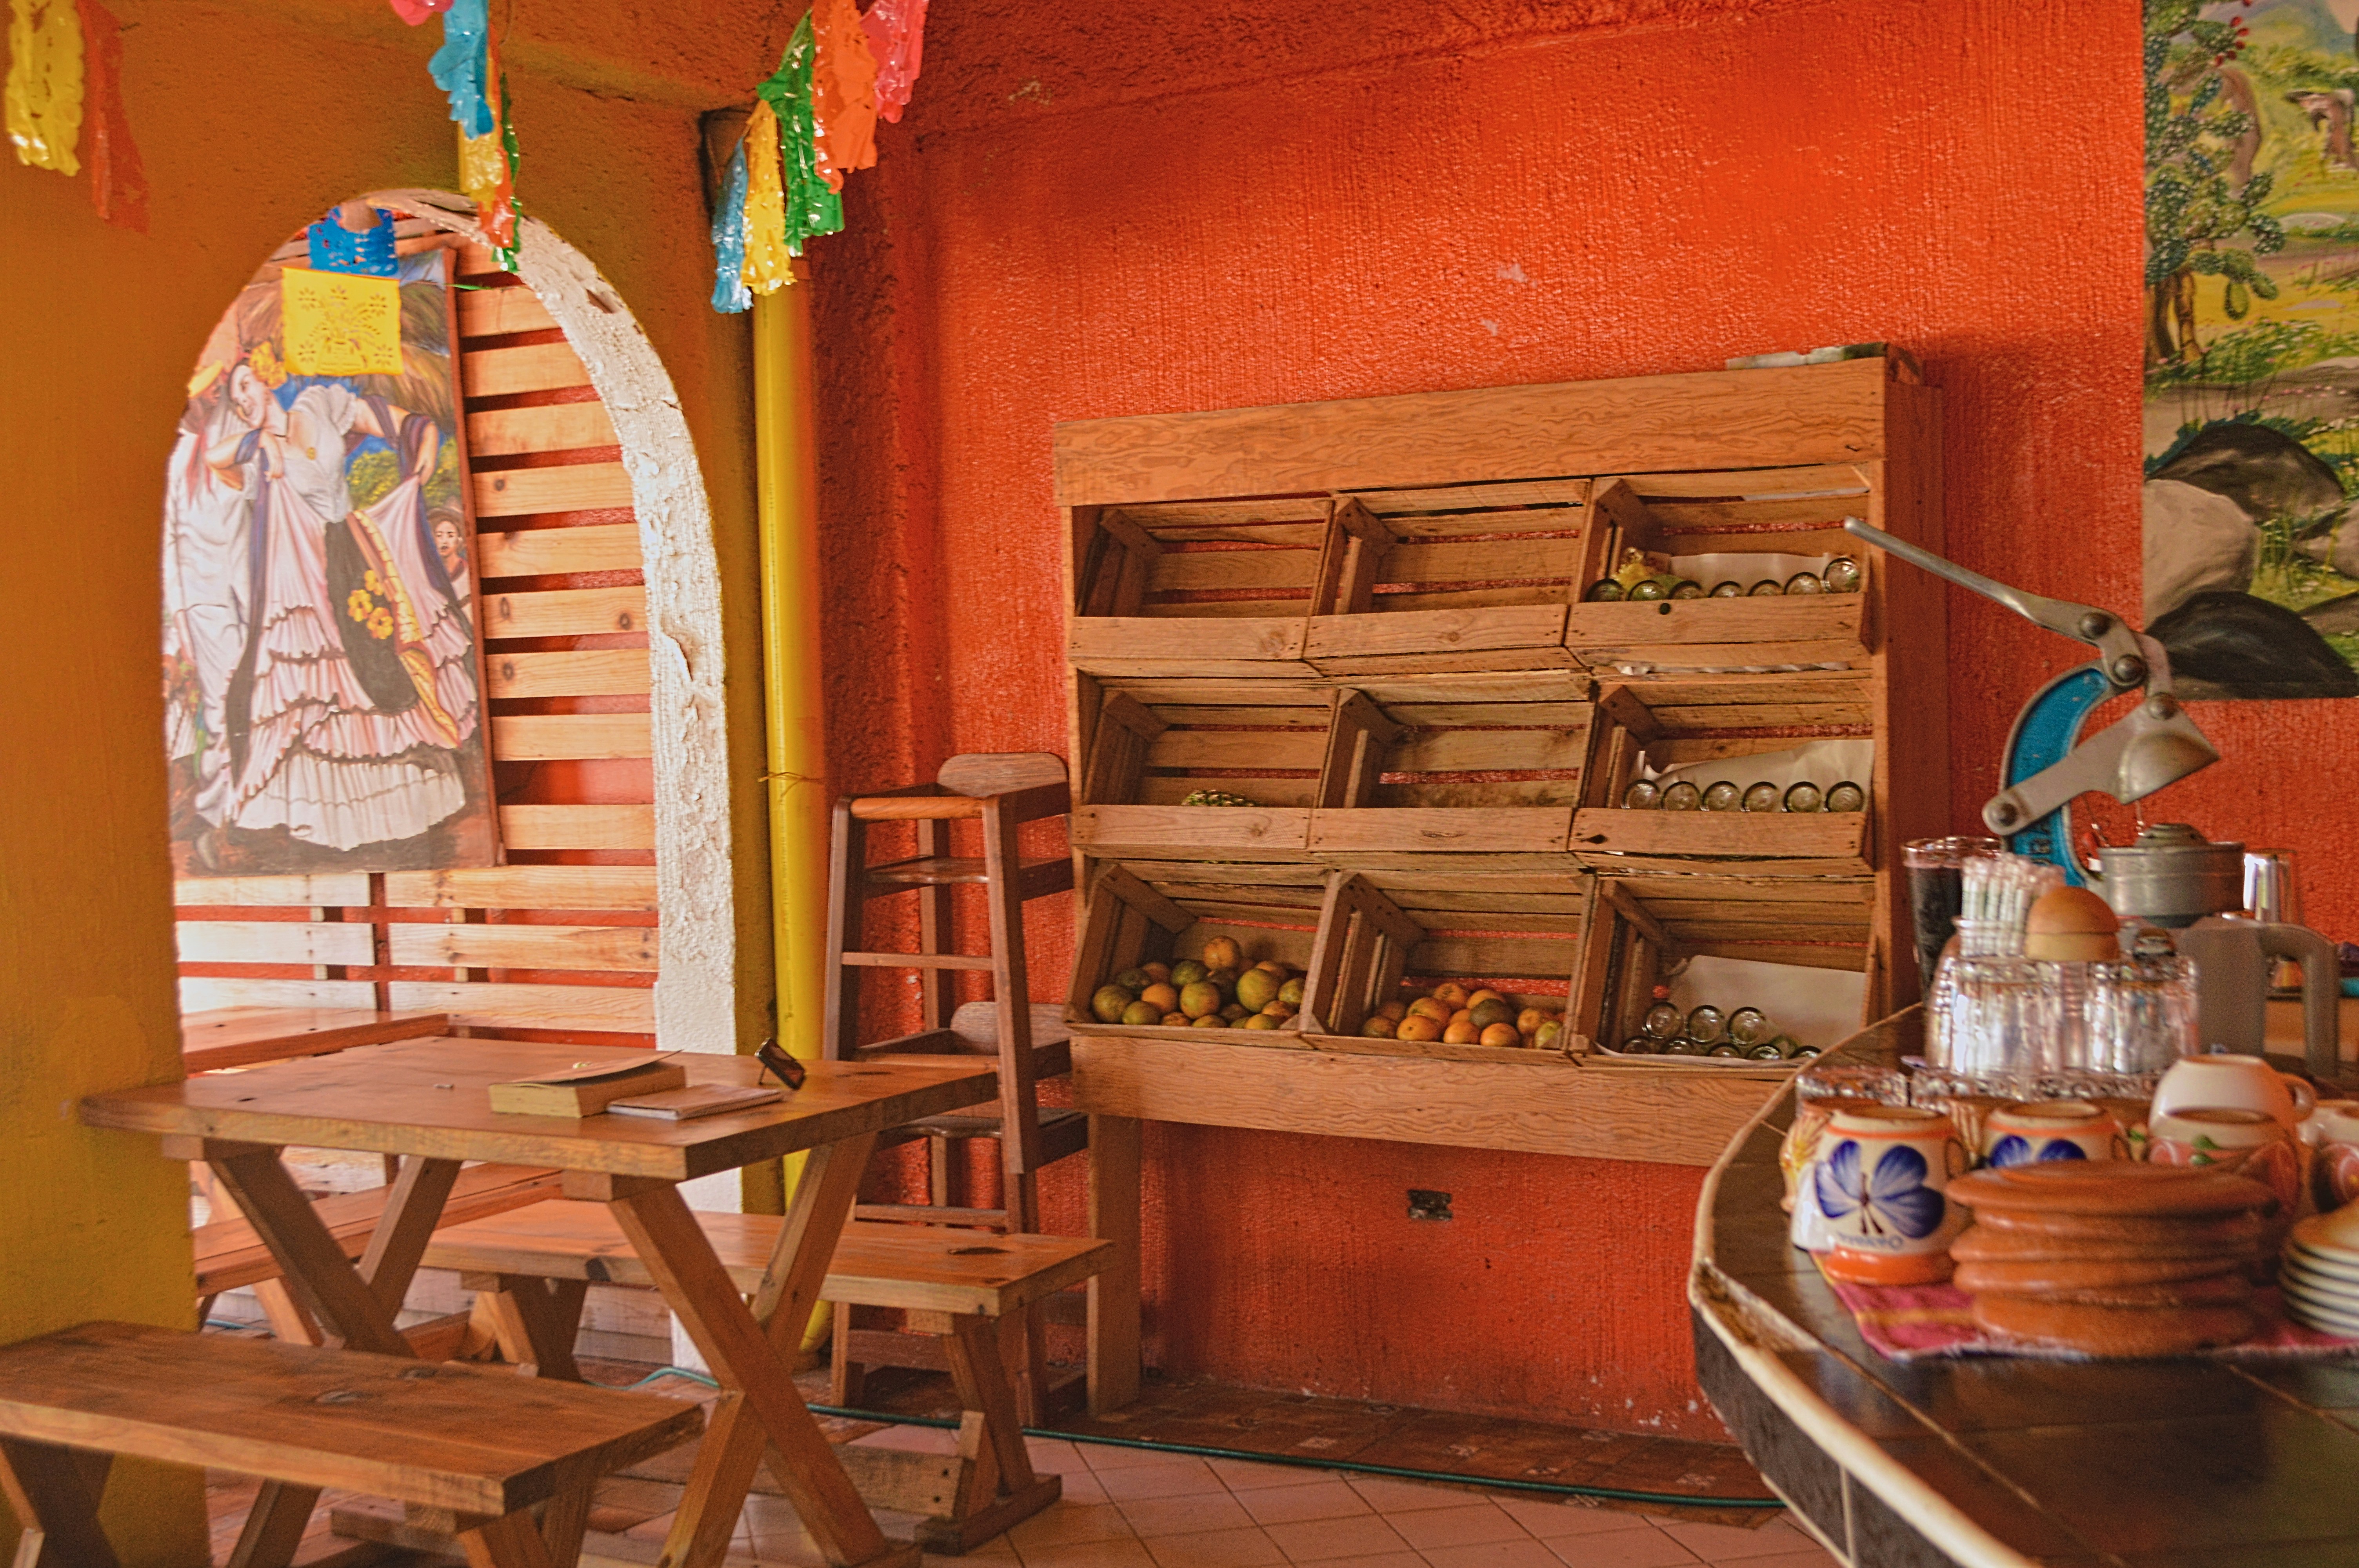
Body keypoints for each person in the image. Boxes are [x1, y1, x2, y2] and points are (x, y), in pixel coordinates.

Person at [207, 341, 481, 853]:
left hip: (352, 555)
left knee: (379, 671)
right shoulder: (255, 452)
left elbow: (398, 422)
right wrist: (258, 442)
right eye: (234, 396)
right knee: (321, 690)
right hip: (301, 576)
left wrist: (421, 453)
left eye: (246, 385)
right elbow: (214, 458)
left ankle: (408, 810)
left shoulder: (319, 406)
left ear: (268, 376)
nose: (242, 400)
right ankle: (330, 824)